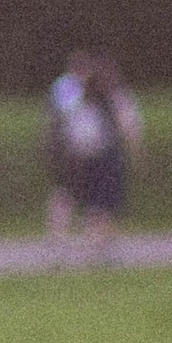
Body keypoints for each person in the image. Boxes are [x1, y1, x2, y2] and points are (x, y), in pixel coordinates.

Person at [45, 53, 142, 250]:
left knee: (89, 196)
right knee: (92, 196)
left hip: (85, 151)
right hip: (87, 152)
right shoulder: (75, 90)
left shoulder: (92, 95)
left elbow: (59, 121)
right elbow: (127, 125)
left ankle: (89, 238)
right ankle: (89, 239)